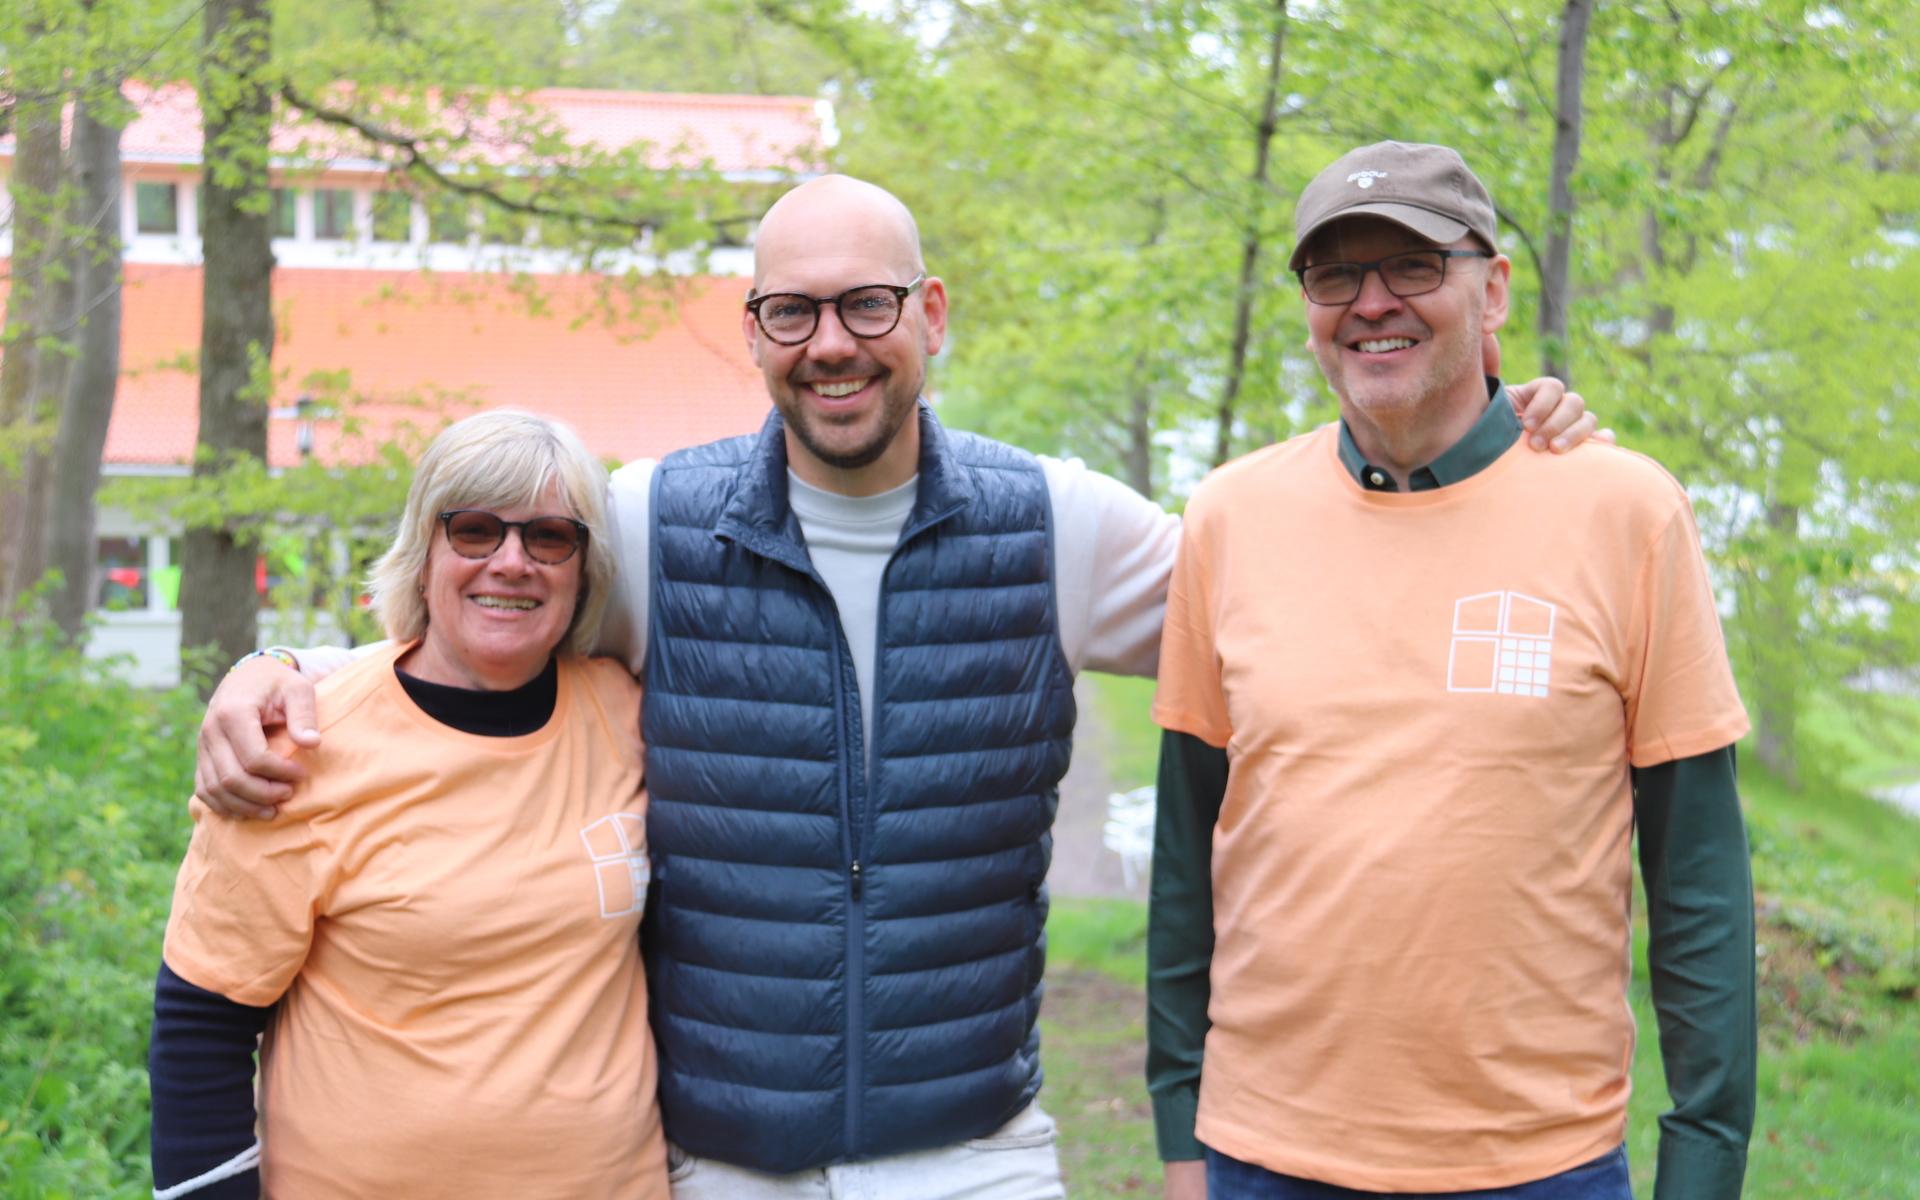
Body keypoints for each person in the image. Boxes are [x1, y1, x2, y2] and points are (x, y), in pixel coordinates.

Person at [188, 176, 1601, 1198]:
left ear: (929, 313)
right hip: (719, 1160)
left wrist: (1476, 439)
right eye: (790, 311)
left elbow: (1311, 590)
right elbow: (475, 610)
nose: (832, 343)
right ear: (752, 333)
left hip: (974, 1152)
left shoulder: (1062, 523)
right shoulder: (649, 524)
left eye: (867, 303)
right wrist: (277, 670)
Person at [1147, 141, 1755, 1200]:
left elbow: (1697, 880)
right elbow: (1184, 855)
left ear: (1495, 290)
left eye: (1415, 266)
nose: (1372, 303)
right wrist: (1178, 1132)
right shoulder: (1231, 517)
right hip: (1262, 1155)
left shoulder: (1625, 512)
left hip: (1536, 1165)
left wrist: (1702, 1165)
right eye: (1337, 275)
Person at [148, 411, 668, 1199]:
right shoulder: (298, 749)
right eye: (475, 531)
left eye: (549, 538)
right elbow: (201, 1029)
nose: (512, 562)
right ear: (423, 552)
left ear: (585, 567)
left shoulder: (626, 717)